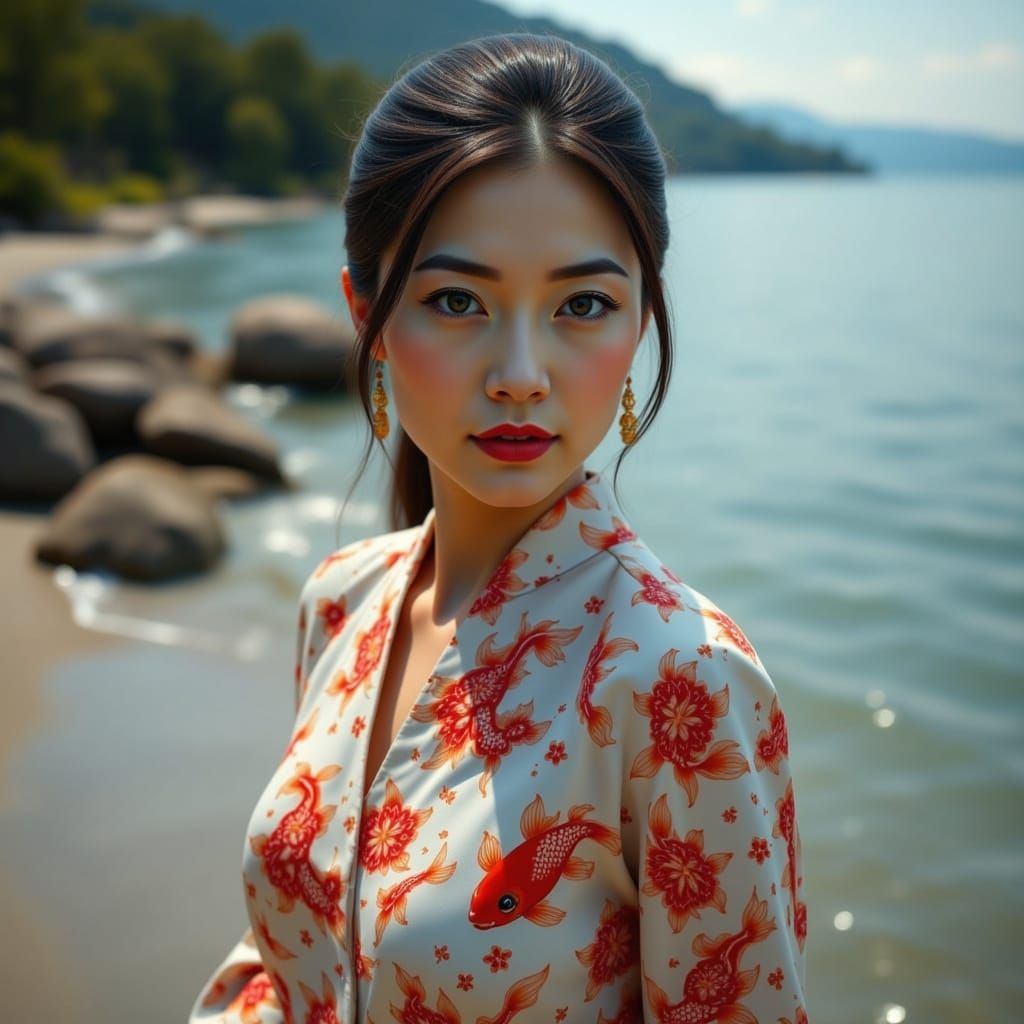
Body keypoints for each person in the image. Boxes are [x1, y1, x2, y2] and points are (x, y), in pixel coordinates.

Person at [189, 32, 808, 1024]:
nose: (520, 373)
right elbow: (294, 956)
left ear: (640, 320)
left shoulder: (680, 680)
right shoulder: (343, 598)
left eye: (583, 303)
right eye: (458, 301)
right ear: (366, 313)